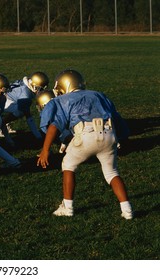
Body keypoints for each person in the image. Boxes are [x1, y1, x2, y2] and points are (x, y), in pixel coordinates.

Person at [37, 69, 133, 220]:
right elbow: (116, 118)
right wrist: (121, 139)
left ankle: (67, 207)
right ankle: (127, 209)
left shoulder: (63, 100)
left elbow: (54, 126)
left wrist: (45, 150)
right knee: (112, 172)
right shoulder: (98, 95)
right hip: (108, 133)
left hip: (85, 135)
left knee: (68, 165)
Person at [0, 71, 49, 143]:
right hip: (2, 101)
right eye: (40, 89)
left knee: (23, 109)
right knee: (21, 111)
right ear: (33, 84)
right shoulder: (26, 92)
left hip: (5, 98)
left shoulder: (26, 85)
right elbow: (28, 114)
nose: (41, 91)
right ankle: (1, 124)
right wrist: (38, 136)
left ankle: (3, 124)